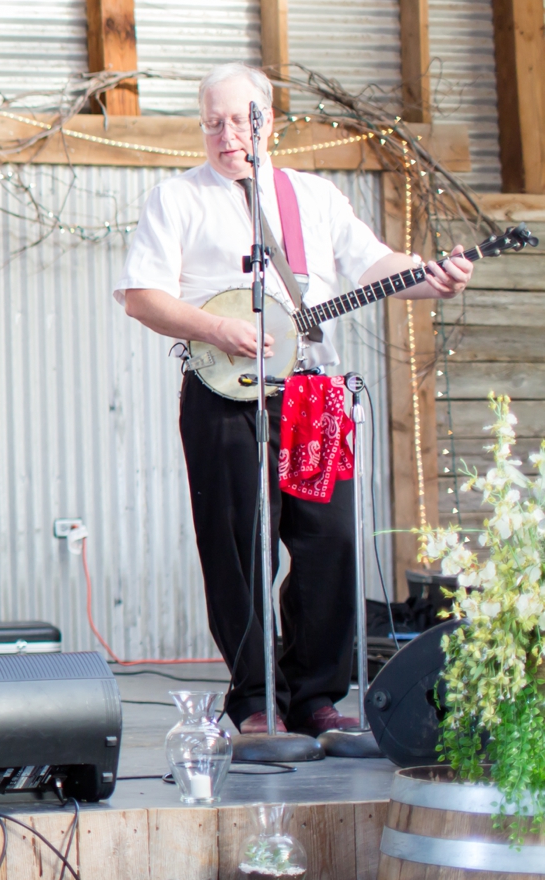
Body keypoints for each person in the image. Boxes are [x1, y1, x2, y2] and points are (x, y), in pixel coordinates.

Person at [116, 62, 472, 736]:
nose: (226, 134)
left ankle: (316, 697)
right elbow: (143, 296)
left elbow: (377, 268)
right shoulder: (178, 198)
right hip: (223, 393)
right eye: (212, 122)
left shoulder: (315, 198)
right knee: (238, 545)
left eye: (239, 120)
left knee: (328, 543)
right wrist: (218, 327)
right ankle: (255, 698)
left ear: (267, 121)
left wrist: (434, 277)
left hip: (313, 392)